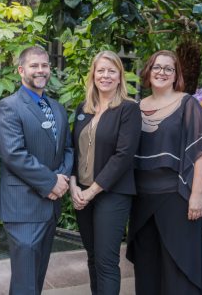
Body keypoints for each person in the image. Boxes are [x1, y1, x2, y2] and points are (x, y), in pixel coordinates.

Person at [125, 50, 202, 295]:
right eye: (157, 67)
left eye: (169, 68)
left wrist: (197, 195)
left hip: (177, 196)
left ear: (176, 75)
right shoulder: (135, 107)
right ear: (148, 70)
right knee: (148, 266)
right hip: (142, 199)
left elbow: (201, 153)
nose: (162, 72)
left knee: (179, 265)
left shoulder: (188, 104)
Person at [0, 46, 73, 295]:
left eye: (44, 65)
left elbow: (68, 149)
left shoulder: (58, 108)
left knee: (37, 280)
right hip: (23, 208)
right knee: (25, 283)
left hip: (50, 208)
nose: (40, 70)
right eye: (34, 65)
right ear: (21, 70)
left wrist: (61, 180)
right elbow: (14, 154)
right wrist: (51, 182)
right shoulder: (9, 106)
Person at [69, 50, 141, 294]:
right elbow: (73, 149)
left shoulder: (128, 110)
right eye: (101, 70)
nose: (106, 76)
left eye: (112, 71)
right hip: (82, 193)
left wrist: (91, 192)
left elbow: (123, 157)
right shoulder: (83, 108)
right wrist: (74, 187)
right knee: (92, 257)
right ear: (93, 75)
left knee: (106, 261)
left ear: (120, 77)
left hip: (113, 193)